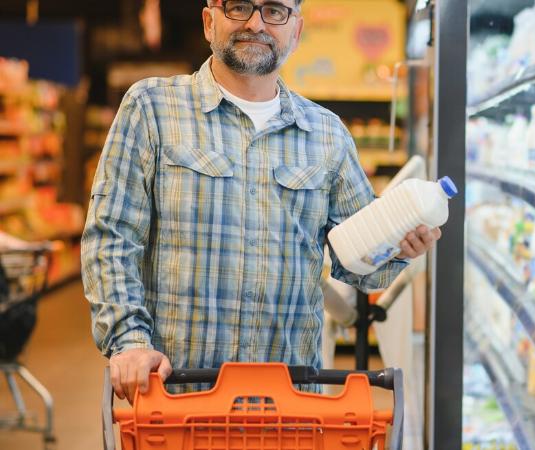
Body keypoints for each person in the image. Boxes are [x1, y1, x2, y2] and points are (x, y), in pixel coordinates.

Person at [81, 0, 441, 402]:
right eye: (238, 7)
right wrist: (129, 342)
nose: (256, 23)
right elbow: (111, 237)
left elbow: (358, 268)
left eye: (274, 10)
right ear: (208, 21)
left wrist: (400, 247)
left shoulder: (327, 135)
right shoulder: (152, 109)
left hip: (286, 405)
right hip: (176, 399)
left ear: (296, 31)